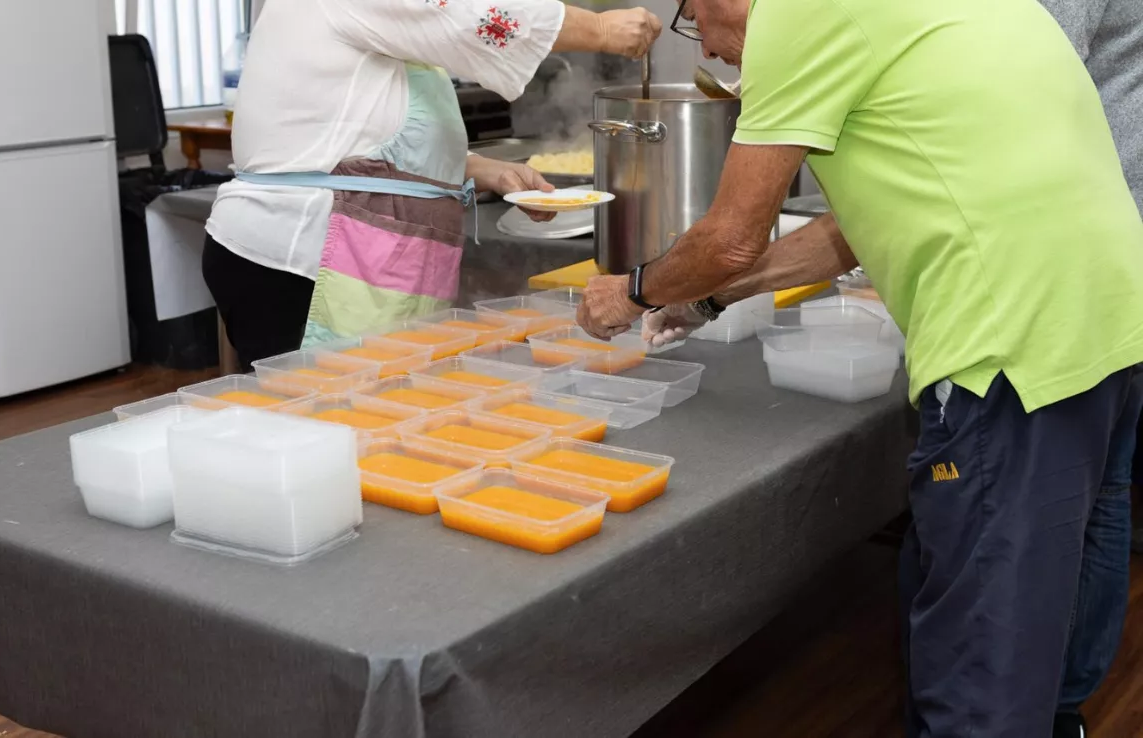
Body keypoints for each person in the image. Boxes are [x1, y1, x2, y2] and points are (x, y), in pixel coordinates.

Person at [576, 0, 1143, 735]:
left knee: (983, 651)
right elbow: (845, 235)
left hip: (1009, 349)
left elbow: (731, 237)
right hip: (1103, 321)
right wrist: (709, 299)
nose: (711, 50)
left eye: (693, 23)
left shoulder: (795, 16)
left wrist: (632, 291)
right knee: (1042, 593)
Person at [203, 0, 662, 368]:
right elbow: (475, 18)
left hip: (334, 249)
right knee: (325, 427)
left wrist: (478, 167)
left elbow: (357, 128)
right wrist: (600, 30)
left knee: (363, 427)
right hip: (299, 260)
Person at [1036, 1, 1143, 735]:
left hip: (1092, 241)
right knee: (1107, 488)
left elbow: (1028, 65)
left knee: (1082, 494)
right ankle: (1065, 701)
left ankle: (1053, 700)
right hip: (1119, 228)